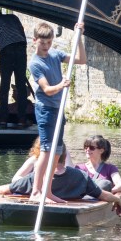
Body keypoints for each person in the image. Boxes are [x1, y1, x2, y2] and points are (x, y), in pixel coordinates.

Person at [29, 21, 86, 204]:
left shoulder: (55, 55)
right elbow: (46, 90)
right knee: (46, 150)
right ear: (35, 40)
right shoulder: (35, 63)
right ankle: (36, 192)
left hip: (58, 108)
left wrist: (79, 37)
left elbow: (81, 60)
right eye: (42, 43)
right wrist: (62, 85)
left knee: (56, 151)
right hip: (45, 109)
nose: (46, 47)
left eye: (48, 43)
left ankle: (48, 191)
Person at [0, 166, 121, 216]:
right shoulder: (80, 175)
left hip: (79, 193)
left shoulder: (36, 178)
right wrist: (117, 199)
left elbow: (7, 188)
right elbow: (103, 195)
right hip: (80, 194)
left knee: (104, 183)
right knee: (104, 184)